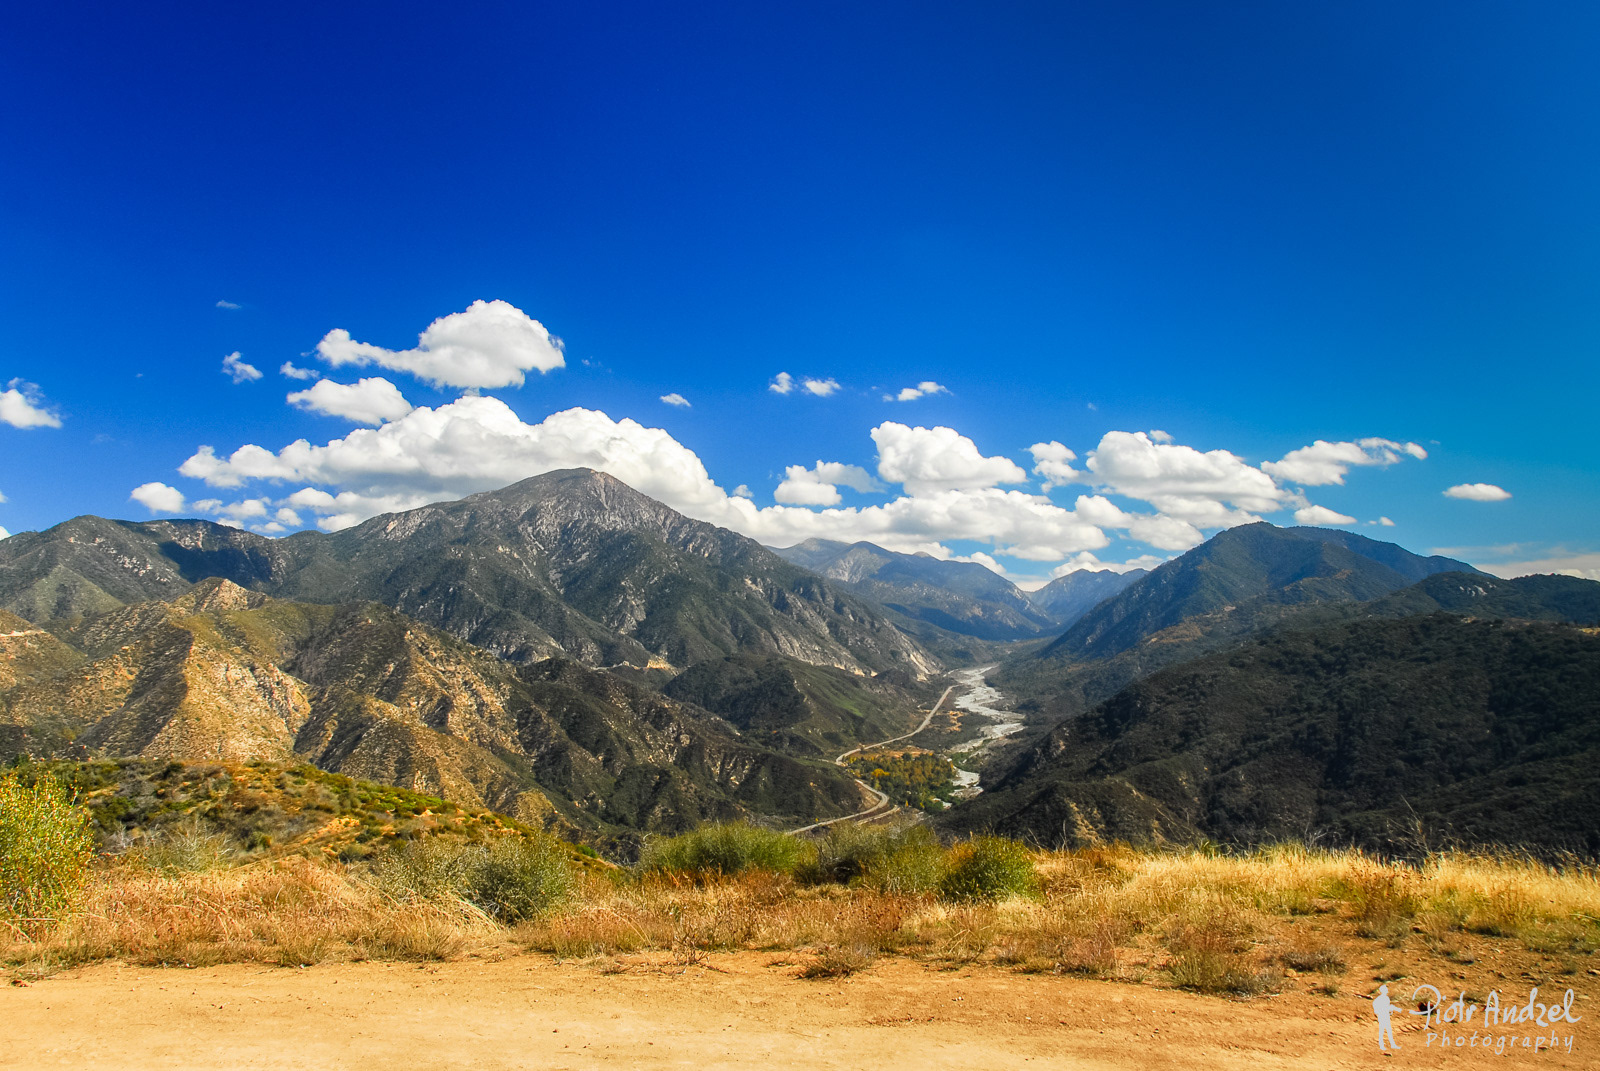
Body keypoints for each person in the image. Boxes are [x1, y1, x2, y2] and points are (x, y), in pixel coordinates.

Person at [1373, 984, 1399, 1051]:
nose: (1387, 991)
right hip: (1382, 1016)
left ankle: (1392, 1044)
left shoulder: (1386, 998)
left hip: (1386, 1015)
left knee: (1388, 1030)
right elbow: (1376, 1008)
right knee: (1382, 1030)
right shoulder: (1379, 999)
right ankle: (1382, 1045)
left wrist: (1390, 1011)